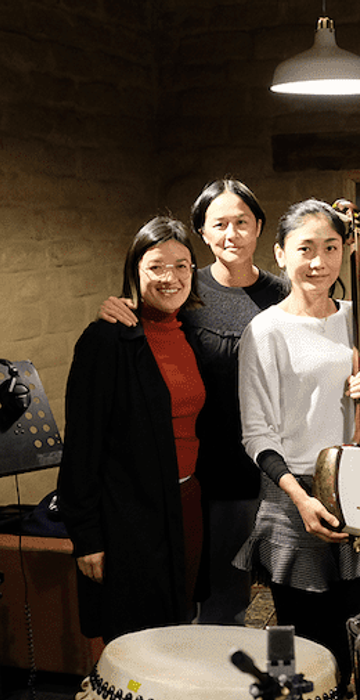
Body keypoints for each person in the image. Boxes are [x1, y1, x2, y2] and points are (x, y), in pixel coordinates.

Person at [98, 180, 288, 625]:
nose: (232, 234)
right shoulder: (183, 290)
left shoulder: (282, 294)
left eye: (242, 222)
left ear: (259, 227)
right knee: (209, 598)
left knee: (268, 595)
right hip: (205, 471)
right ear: (202, 232)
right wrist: (114, 311)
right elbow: (145, 335)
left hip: (270, 467)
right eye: (219, 224)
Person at [234, 199, 360, 688]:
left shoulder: (358, 319)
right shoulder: (265, 331)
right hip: (293, 492)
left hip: (356, 486)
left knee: (345, 620)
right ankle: (286, 692)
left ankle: (335, 690)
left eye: (331, 248)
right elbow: (256, 432)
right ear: (281, 253)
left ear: (346, 251)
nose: (319, 262)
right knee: (290, 628)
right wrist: (301, 499)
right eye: (305, 248)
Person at [58, 216, 207, 642]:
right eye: (156, 266)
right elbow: (82, 447)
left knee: (182, 627)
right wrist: (86, 537)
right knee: (135, 640)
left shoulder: (190, 333)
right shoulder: (107, 340)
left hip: (187, 501)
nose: (170, 277)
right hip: (130, 515)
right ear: (134, 271)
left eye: (182, 266)